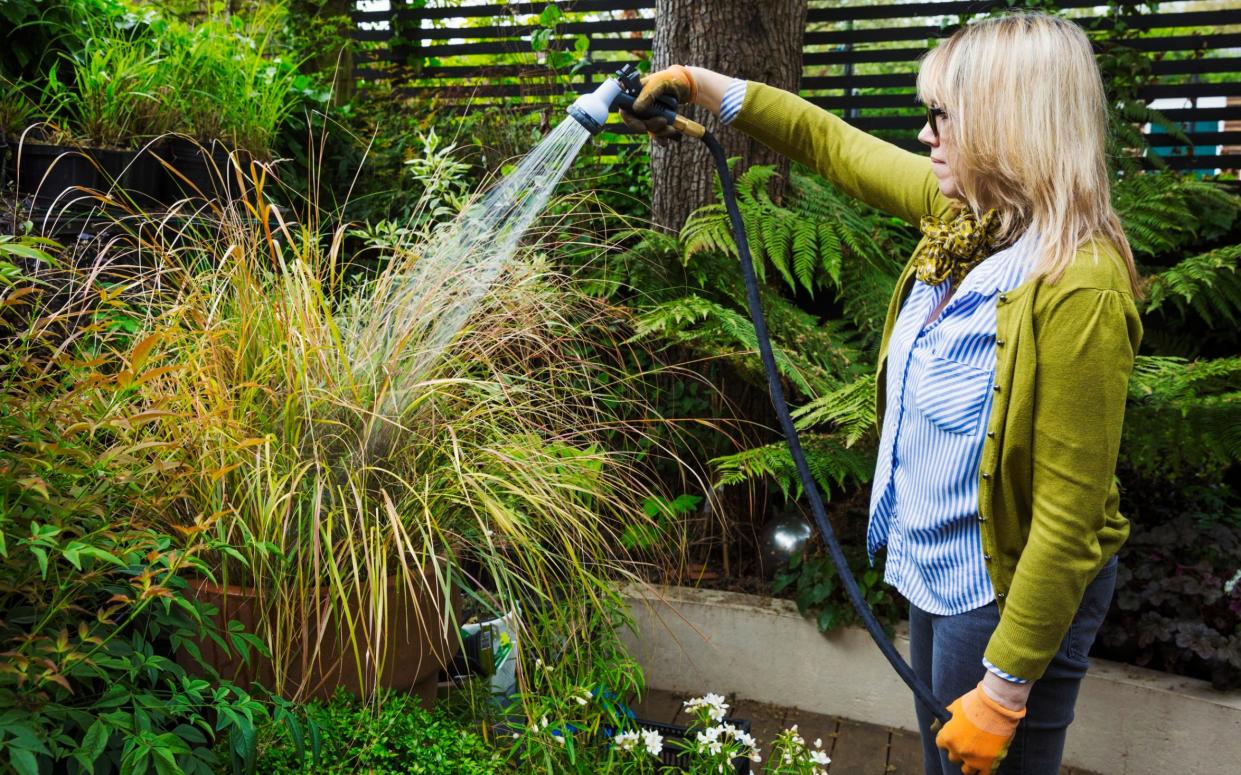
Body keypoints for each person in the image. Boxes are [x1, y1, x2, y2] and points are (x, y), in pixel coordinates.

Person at [621, 12, 1142, 775]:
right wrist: (702, 87)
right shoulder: (968, 224)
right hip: (935, 564)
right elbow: (834, 146)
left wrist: (1001, 692)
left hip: (999, 591)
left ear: (1008, 126)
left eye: (942, 117)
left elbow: (1067, 522)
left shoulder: (1077, 287)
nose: (925, 135)